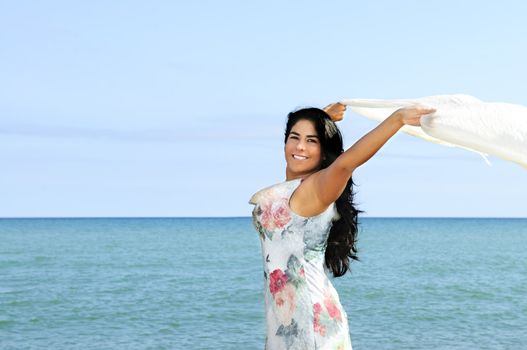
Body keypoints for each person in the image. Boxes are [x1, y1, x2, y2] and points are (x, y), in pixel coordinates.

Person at [249, 103, 436, 349]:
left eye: (312, 141)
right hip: (286, 318)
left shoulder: (319, 186)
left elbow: (346, 163)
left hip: (311, 320)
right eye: (294, 138)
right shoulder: (296, 184)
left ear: (324, 151)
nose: (300, 147)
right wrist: (322, 118)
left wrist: (396, 120)